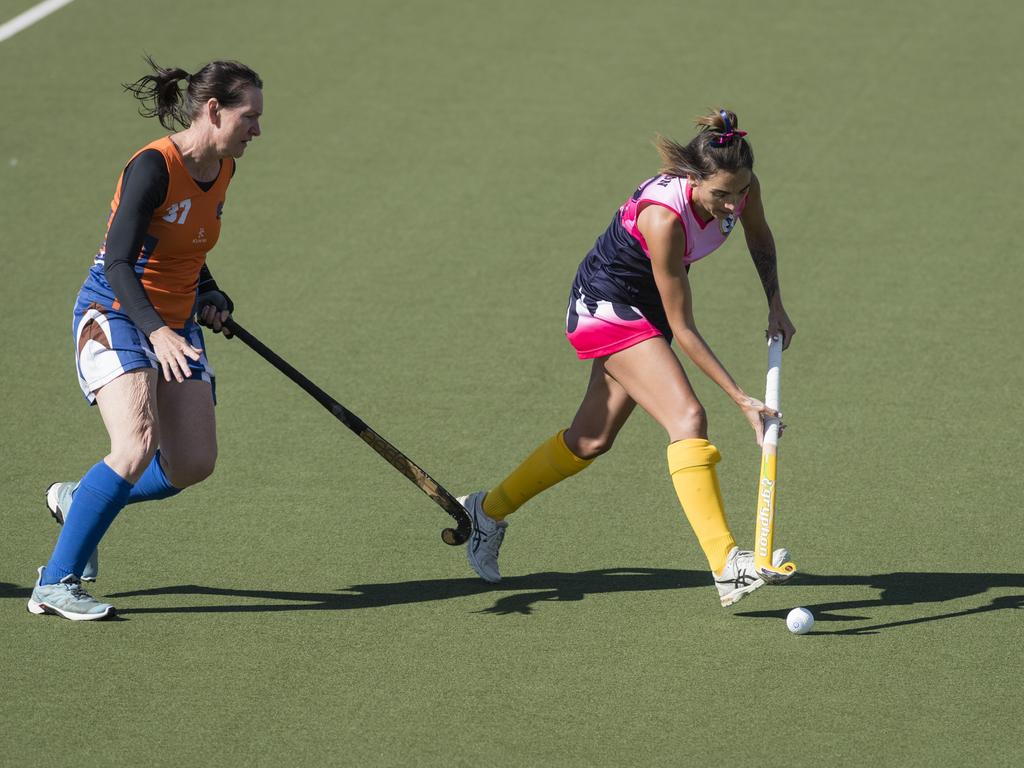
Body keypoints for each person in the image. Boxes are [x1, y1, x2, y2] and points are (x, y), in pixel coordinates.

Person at [458, 109, 797, 607]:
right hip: (606, 303)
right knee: (688, 416)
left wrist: (775, 302)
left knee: (590, 440)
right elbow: (683, 329)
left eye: (739, 192)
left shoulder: (741, 188)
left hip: (647, 302)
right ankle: (726, 565)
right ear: (691, 178)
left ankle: (485, 512)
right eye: (720, 194)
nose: (731, 204)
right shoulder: (664, 219)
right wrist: (741, 400)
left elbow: (758, 235)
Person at [28, 57, 263, 620]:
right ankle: (56, 584)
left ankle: (81, 498)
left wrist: (212, 294)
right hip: (117, 312)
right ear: (213, 110)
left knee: (191, 463)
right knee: (135, 442)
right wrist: (155, 331)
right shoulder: (152, 167)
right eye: (249, 116)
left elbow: (187, 249)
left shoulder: (223, 167)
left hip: (175, 320)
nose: (258, 129)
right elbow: (118, 262)